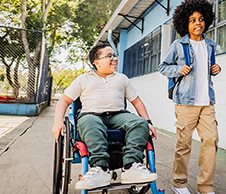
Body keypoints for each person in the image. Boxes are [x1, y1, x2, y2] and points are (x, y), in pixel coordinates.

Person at [52, 43, 158, 190]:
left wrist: (148, 121)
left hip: (118, 115)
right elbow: (64, 100)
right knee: (91, 124)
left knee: (139, 123)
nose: (114, 58)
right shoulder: (84, 79)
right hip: (91, 115)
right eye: (109, 56)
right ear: (97, 62)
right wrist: (58, 122)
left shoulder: (122, 79)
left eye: (114, 55)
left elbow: (137, 101)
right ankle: (100, 169)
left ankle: (131, 167)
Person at [158, 0, 221, 194]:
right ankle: (179, 184)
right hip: (185, 103)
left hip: (207, 103)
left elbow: (208, 70)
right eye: (193, 20)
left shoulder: (210, 45)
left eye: (201, 19)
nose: (198, 23)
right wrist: (179, 69)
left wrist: (216, 69)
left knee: (211, 140)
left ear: (206, 21)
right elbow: (163, 67)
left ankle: (205, 186)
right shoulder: (179, 45)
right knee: (183, 145)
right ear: (186, 22)